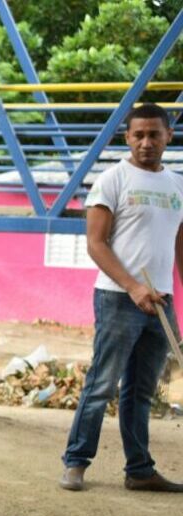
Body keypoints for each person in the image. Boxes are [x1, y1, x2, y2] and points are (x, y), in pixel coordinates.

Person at [59, 103, 183, 493]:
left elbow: (179, 246)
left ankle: (139, 469)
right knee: (102, 384)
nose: (146, 142)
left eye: (154, 134)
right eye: (138, 135)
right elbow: (95, 244)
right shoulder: (112, 180)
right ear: (127, 138)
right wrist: (133, 286)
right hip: (118, 298)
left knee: (141, 391)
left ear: (168, 136)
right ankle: (76, 463)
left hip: (160, 301)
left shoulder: (177, 184)